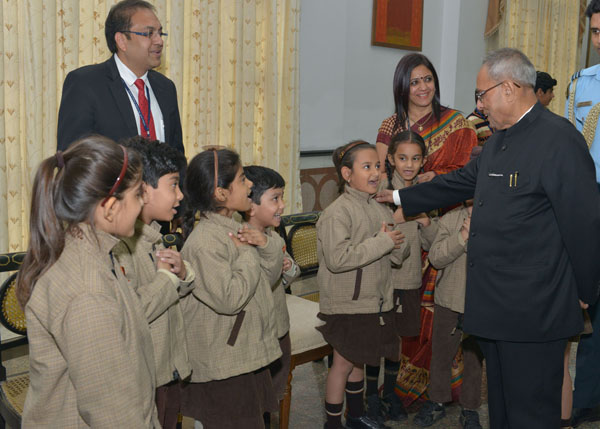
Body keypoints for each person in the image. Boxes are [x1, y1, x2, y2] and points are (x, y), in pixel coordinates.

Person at [377, 48, 600, 429]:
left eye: (483, 94)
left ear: (511, 88)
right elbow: (458, 182)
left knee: (531, 411)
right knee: (501, 408)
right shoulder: (498, 140)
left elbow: (584, 222)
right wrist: (399, 196)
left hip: (535, 307)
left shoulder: (559, 140)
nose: (478, 105)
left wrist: (584, 289)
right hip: (496, 307)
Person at [17, 136, 160, 427]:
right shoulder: (87, 291)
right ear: (109, 207)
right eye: (136, 194)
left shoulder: (92, 252)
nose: (143, 201)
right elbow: (114, 413)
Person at [179, 149, 283, 429]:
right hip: (223, 364)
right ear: (221, 193)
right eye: (241, 179)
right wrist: (248, 253)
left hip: (243, 355)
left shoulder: (233, 227)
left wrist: (264, 245)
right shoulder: (205, 242)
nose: (249, 184)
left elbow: (267, 281)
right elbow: (230, 299)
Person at [317, 140, 409, 429]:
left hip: (374, 301)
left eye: (378, 166)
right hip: (348, 303)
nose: (375, 173)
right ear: (346, 174)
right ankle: (333, 422)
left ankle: (355, 416)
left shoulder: (378, 207)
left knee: (360, 360)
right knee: (343, 364)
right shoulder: (337, 213)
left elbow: (396, 253)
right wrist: (382, 242)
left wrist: (394, 246)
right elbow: (338, 259)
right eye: (366, 166)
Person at [113, 138, 194, 429]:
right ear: (143, 190)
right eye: (173, 185)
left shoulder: (153, 235)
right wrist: (167, 279)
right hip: (146, 374)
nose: (181, 195)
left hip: (167, 368)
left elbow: (172, 289)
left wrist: (182, 274)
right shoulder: (120, 246)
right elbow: (130, 312)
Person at [365, 131, 438, 425]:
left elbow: (433, 243)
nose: (409, 165)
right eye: (403, 158)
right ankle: (370, 396)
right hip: (380, 279)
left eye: (416, 158)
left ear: (423, 161)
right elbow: (365, 235)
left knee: (396, 341)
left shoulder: (424, 195)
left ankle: (390, 393)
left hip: (408, 280)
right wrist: (392, 220)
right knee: (375, 340)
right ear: (391, 159)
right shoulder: (378, 190)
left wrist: (425, 221)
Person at [57, 0, 184, 154]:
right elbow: (73, 159)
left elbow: (177, 155)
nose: (159, 41)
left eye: (160, 33)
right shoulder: (85, 85)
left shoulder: (166, 88)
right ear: (122, 41)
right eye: (149, 33)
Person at [413, 200, 484, 429]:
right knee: (441, 355)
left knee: (474, 360)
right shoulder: (451, 218)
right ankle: (437, 401)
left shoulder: (498, 215)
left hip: (481, 302)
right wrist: (462, 237)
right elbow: (436, 257)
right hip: (449, 300)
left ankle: (470, 408)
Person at [242, 165, 300, 427]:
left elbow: (292, 270)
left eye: (282, 196)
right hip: (256, 333)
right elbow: (254, 286)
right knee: (252, 400)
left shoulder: (273, 233)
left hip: (279, 327)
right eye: (275, 198)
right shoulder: (240, 239)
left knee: (273, 394)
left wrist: (287, 269)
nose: (282, 205)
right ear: (250, 205)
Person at [564, 2, 600, 426]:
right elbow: (572, 146)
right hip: (587, 198)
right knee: (589, 300)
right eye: (594, 31)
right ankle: (587, 395)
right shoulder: (580, 83)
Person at [376, 53, 477, 182]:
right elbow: (381, 174)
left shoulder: (458, 124)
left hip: (446, 199)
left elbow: (470, 172)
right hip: (400, 199)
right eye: (414, 82)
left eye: (428, 79)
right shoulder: (391, 126)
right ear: (402, 87)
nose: (423, 87)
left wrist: (437, 175)